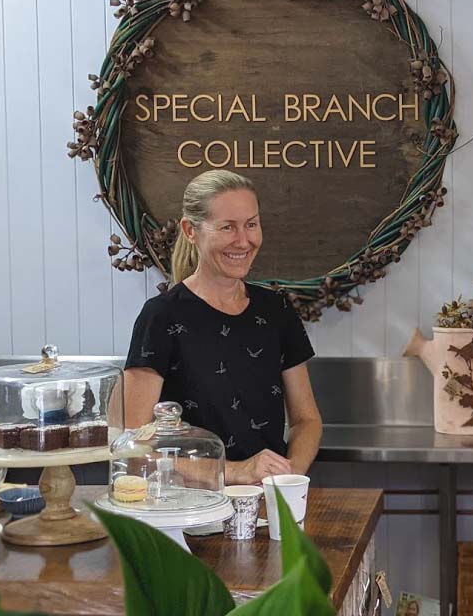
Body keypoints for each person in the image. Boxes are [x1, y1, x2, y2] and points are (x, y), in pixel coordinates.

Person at [124, 170, 323, 484]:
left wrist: (288, 476)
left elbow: (306, 420)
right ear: (191, 231)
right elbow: (134, 447)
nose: (244, 241)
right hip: (191, 509)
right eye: (228, 227)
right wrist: (237, 472)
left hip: (266, 502)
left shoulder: (277, 310)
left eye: (251, 224)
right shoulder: (161, 316)